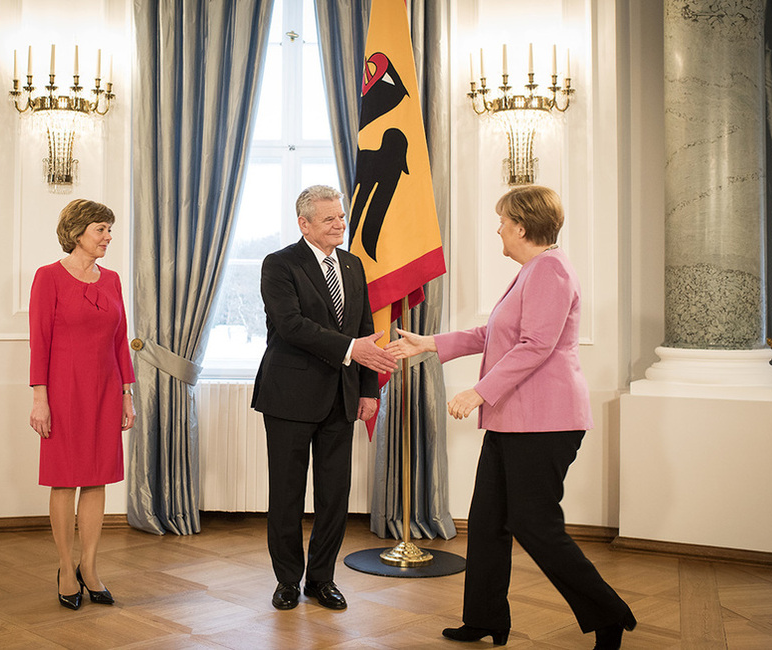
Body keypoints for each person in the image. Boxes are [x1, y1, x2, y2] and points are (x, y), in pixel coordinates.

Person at [387, 186, 636, 649]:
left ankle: (609, 614)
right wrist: (430, 343)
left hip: (546, 422)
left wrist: (478, 392)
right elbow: (493, 332)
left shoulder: (551, 271)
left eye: (502, 221)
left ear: (522, 227)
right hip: (514, 421)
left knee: (535, 525)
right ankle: (484, 619)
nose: (497, 228)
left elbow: (536, 346)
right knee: (487, 522)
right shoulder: (533, 271)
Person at [252, 185, 397, 611]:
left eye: (341, 216)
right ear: (304, 223)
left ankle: (321, 579)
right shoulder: (279, 264)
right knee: (287, 495)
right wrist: (352, 349)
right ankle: (286, 581)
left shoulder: (352, 265)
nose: (340, 224)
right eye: (330, 218)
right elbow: (291, 325)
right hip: (288, 398)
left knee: (334, 495)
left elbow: (366, 327)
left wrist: (368, 389)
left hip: (342, 396)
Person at [29, 199, 136, 611]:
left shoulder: (111, 280)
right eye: (101, 229)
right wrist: (40, 398)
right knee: (64, 479)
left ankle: (89, 568)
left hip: (106, 390)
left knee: (97, 478)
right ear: (77, 233)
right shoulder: (48, 277)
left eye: (110, 229)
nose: (108, 237)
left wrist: (127, 393)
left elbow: (119, 339)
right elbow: (40, 340)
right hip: (63, 391)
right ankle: (64, 568)